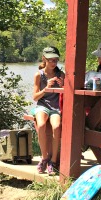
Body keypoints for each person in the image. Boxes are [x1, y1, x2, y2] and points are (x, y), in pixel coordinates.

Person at [32, 46, 65, 175]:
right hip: (42, 105)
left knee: (56, 127)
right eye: (51, 60)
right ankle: (44, 157)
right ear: (44, 59)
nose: (53, 63)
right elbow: (35, 97)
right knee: (41, 125)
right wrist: (46, 88)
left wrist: (62, 86)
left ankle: (53, 161)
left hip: (56, 107)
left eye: (56, 60)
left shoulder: (61, 74)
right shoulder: (38, 75)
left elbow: (67, 94)